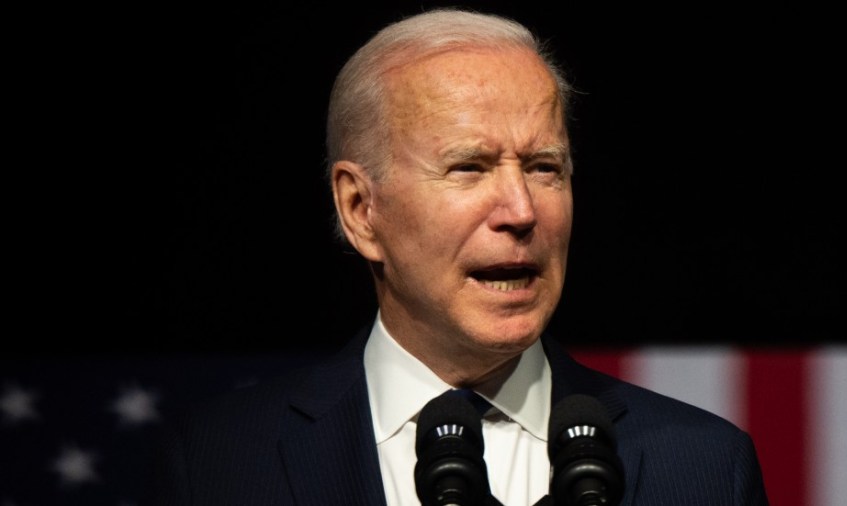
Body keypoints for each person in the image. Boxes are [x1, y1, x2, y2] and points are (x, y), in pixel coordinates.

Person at [152, 7, 768, 505]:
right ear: (361, 209)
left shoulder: (704, 468)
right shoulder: (218, 461)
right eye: (468, 168)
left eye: (544, 167)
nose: (522, 211)